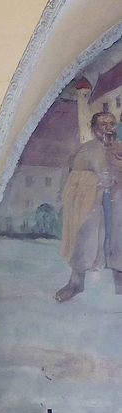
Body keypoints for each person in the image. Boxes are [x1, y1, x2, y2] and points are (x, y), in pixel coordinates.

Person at [57, 111, 122, 301]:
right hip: (91, 205)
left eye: (111, 124)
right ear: (94, 129)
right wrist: (95, 182)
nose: (108, 128)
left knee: (119, 240)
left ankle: (120, 283)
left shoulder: (120, 148)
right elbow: (73, 178)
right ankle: (76, 283)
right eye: (103, 124)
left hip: (117, 204)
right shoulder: (86, 151)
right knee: (85, 240)